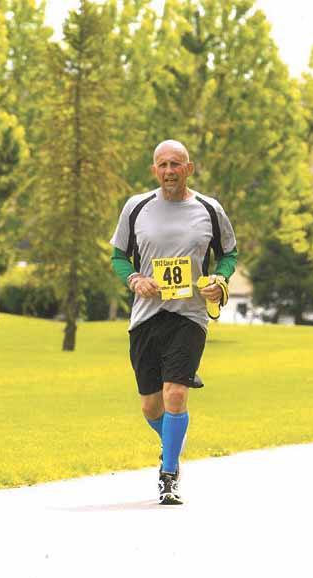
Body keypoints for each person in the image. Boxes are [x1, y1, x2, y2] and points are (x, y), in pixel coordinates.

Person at [110, 139, 237, 505]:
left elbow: (228, 255)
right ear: (154, 169)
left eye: (176, 165)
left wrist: (220, 279)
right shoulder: (135, 208)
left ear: (189, 168)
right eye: (163, 165)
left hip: (189, 315)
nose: (169, 171)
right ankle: (171, 445)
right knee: (152, 407)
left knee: (176, 394)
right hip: (146, 316)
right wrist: (134, 279)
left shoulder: (210, 209)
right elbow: (119, 256)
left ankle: (168, 474)